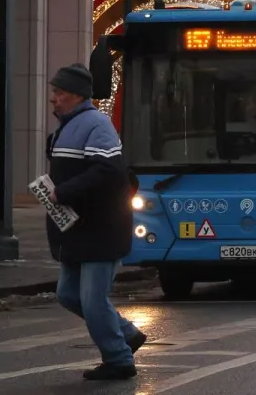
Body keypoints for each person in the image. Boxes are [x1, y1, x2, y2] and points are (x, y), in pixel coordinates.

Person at [46, 63, 146, 382]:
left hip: (102, 228)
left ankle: (118, 359)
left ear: (76, 95)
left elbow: (108, 172)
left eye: (59, 92)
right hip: (79, 230)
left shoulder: (95, 124)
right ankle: (126, 334)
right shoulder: (69, 124)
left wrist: (63, 192)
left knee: (91, 299)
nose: (53, 99)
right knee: (68, 294)